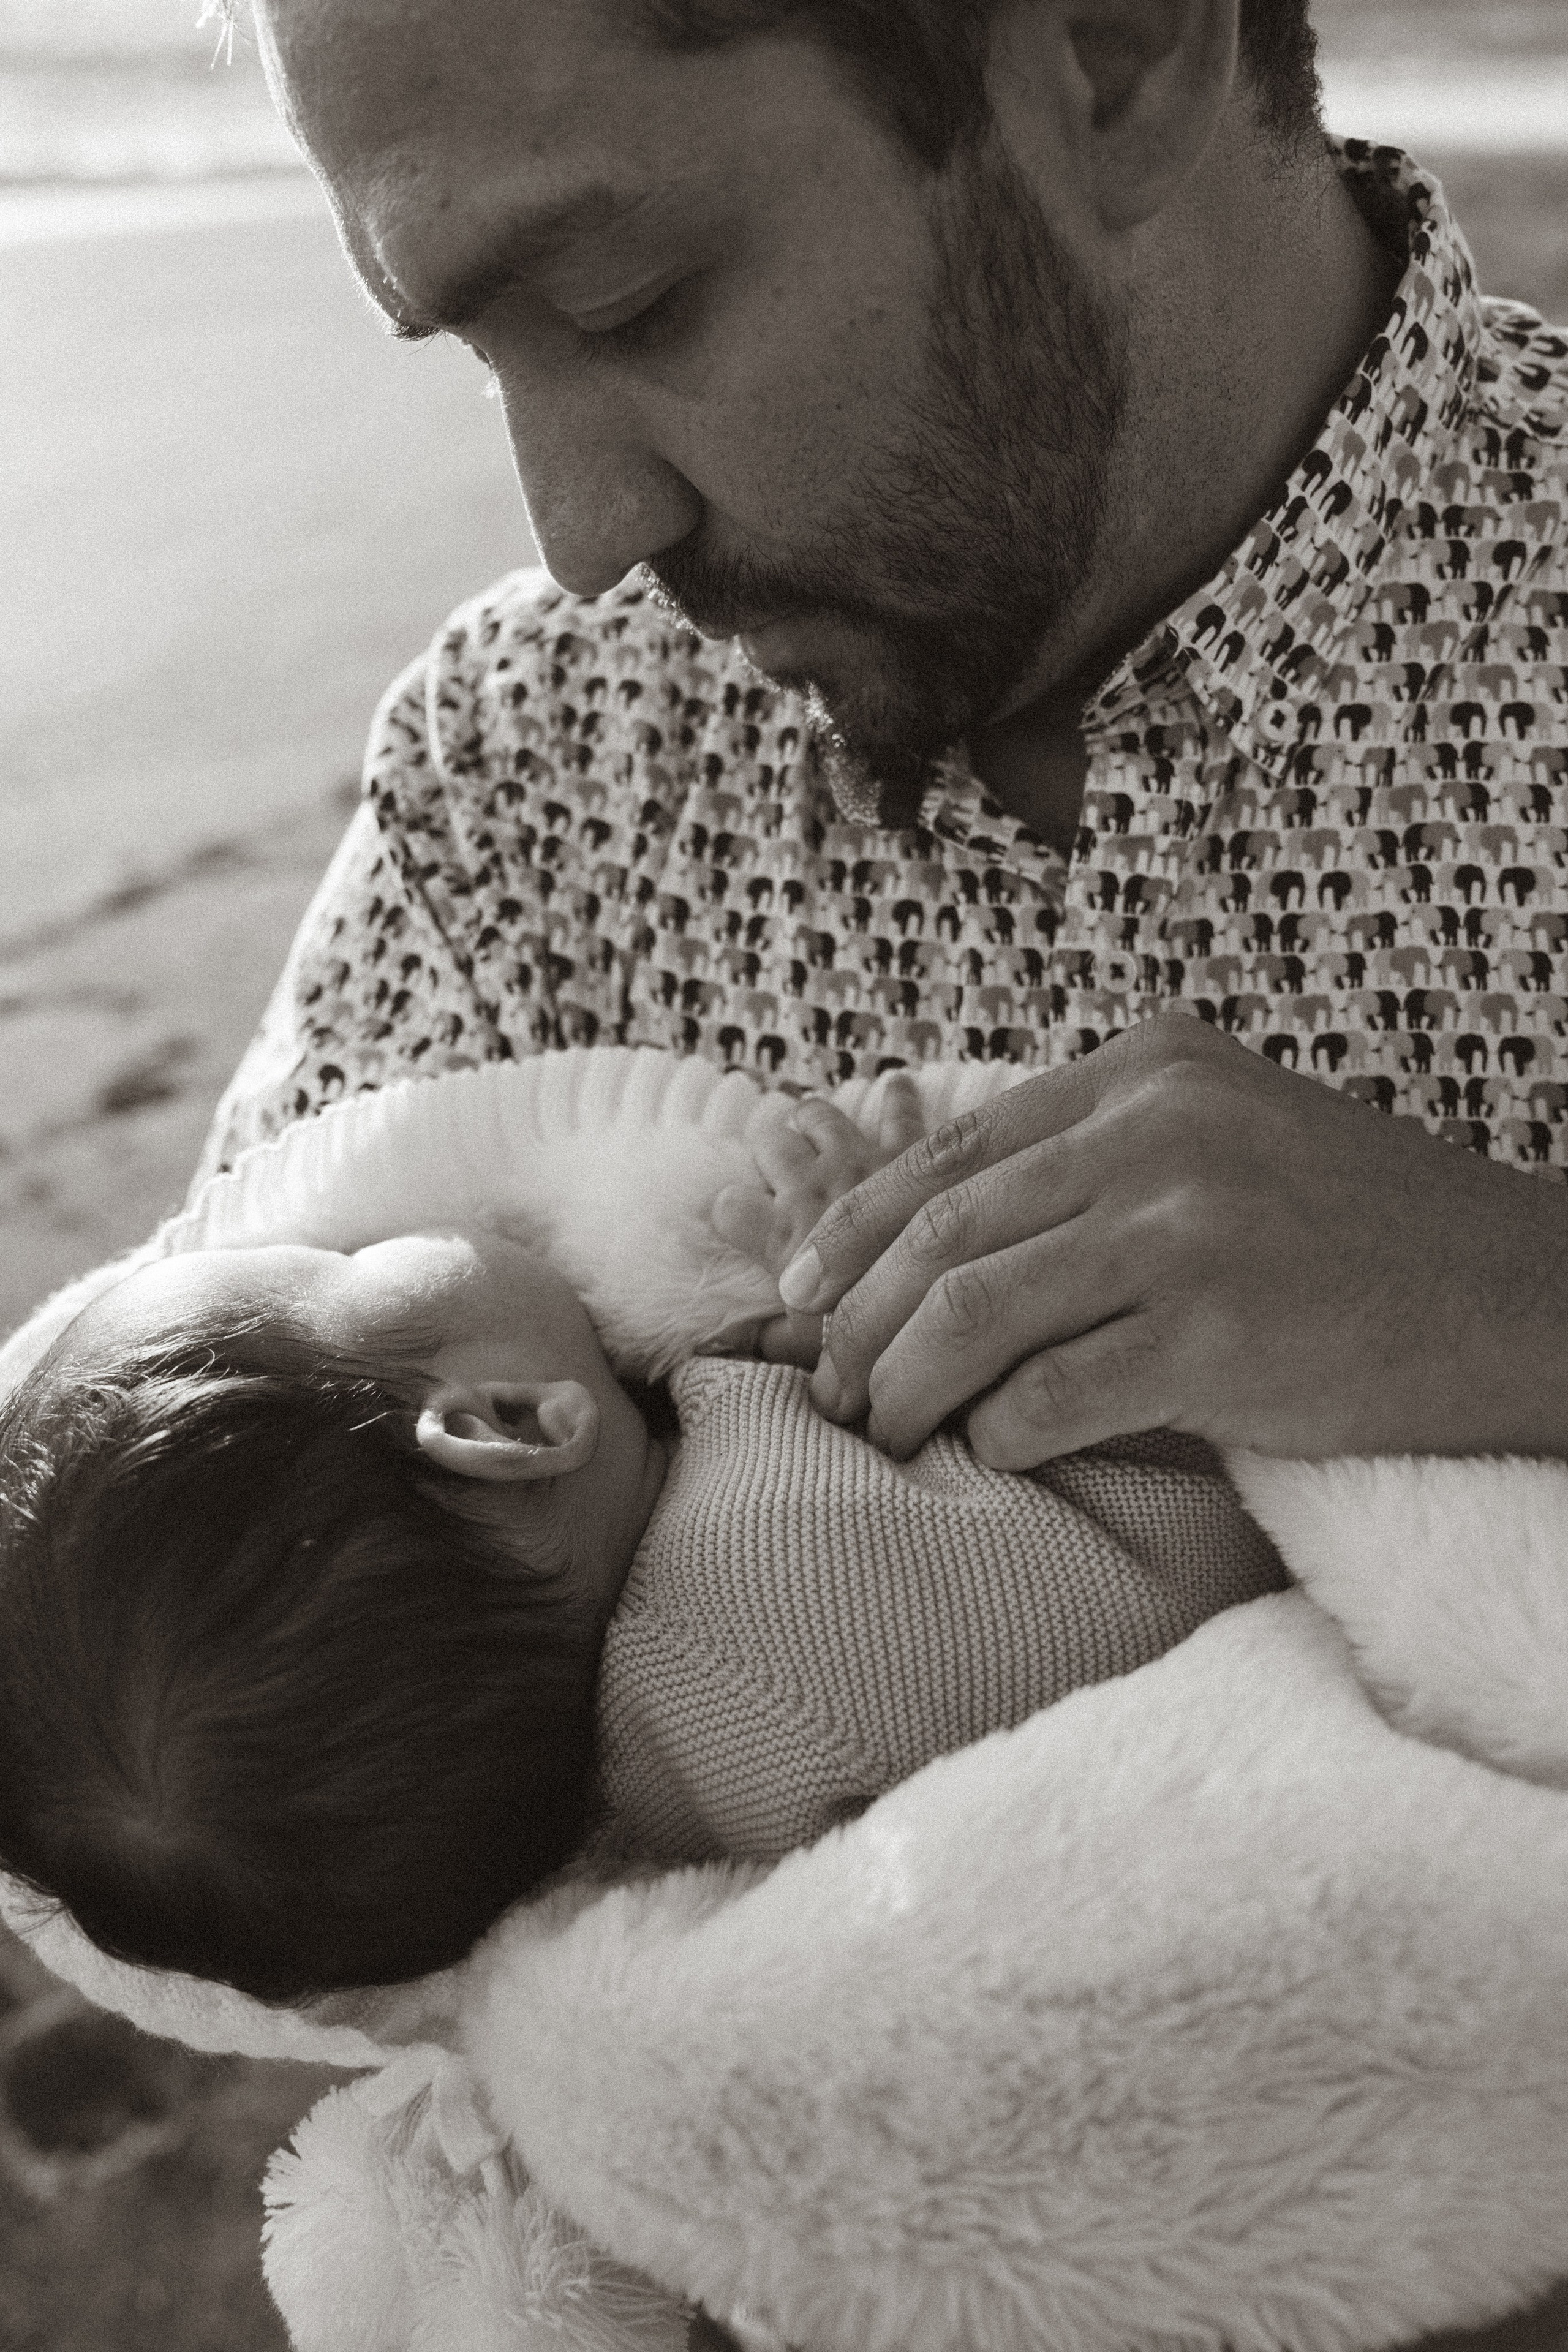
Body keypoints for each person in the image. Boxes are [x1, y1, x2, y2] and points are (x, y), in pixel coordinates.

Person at [175, 0, 1568, 1496]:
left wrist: (1516, 1297)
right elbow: (156, 1546)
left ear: (1119, 53)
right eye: (479, 357)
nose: (582, 540)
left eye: (617, 303)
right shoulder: (528, 762)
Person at [0, 1074, 1281, 2003]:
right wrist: (870, 1284)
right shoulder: (781, 1579)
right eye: (338, 1266)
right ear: (506, 1425)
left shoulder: (647, 1727)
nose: (352, 1222)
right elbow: (1189, 1542)